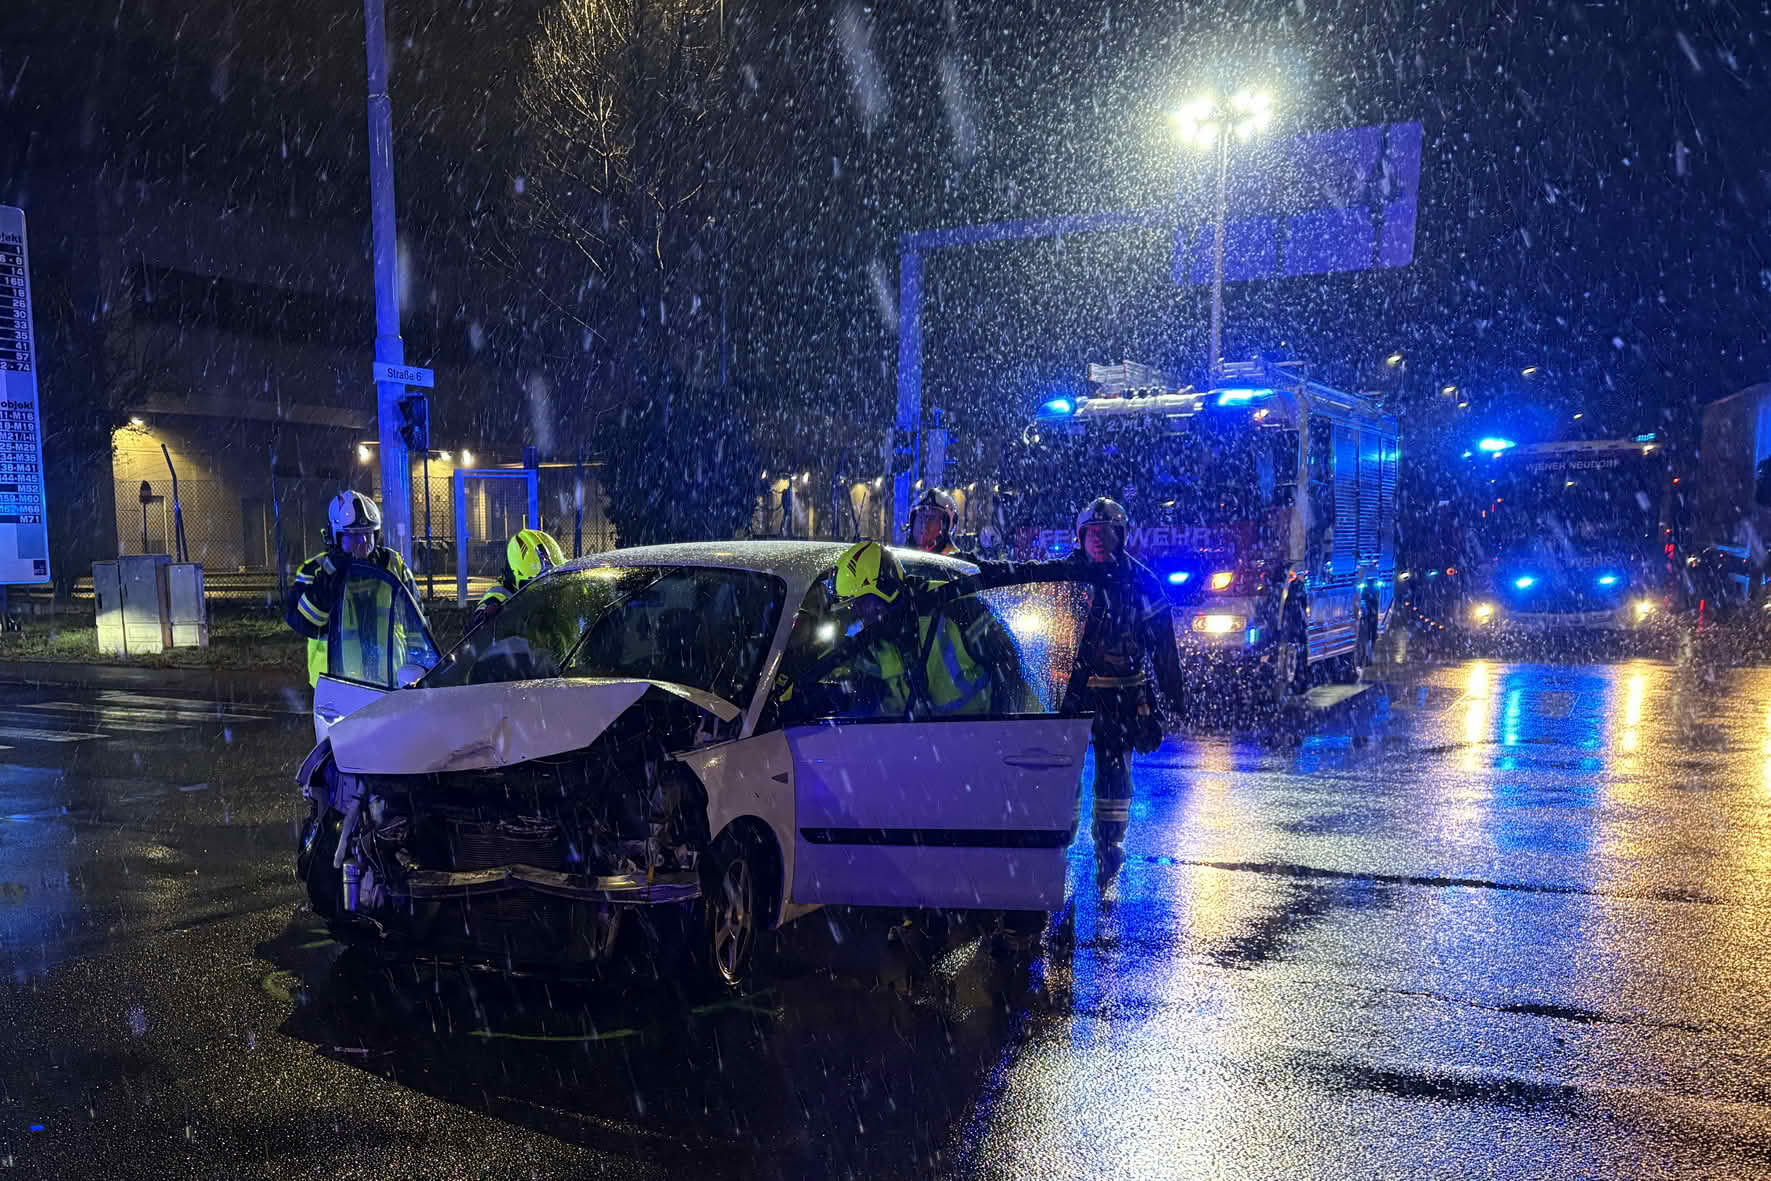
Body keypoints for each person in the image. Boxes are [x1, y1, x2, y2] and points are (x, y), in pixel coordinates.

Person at [1055, 497, 1187, 883]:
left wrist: (1173, 692)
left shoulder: (1141, 581)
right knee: (1063, 775)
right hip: (1073, 697)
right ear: (1080, 537)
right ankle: (1058, 842)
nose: (1098, 540)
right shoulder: (1063, 576)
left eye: (1107, 532)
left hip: (1122, 697)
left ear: (1121, 536)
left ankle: (1109, 846)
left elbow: (1164, 644)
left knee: (1114, 779)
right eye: (1091, 533)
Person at [285, 490, 421, 687]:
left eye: (368, 535)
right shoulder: (315, 570)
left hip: (392, 681)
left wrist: (419, 665)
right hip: (336, 687)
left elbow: (416, 620)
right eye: (354, 537)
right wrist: (329, 577)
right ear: (335, 536)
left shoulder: (393, 565)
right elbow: (303, 623)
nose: (364, 543)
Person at [470, 527, 566, 631]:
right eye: (537, 582)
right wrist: (483, 617)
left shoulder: (567, 583)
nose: (546, 587)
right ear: (516, 576)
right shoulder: (499, 596)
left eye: (552, 578)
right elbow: (475, 626)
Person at [905, 487, 971, 559]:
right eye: (921, 518)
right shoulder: (900, 561)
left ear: (946, 526)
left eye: (932, 519)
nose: (924, 525)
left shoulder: (962, 565)